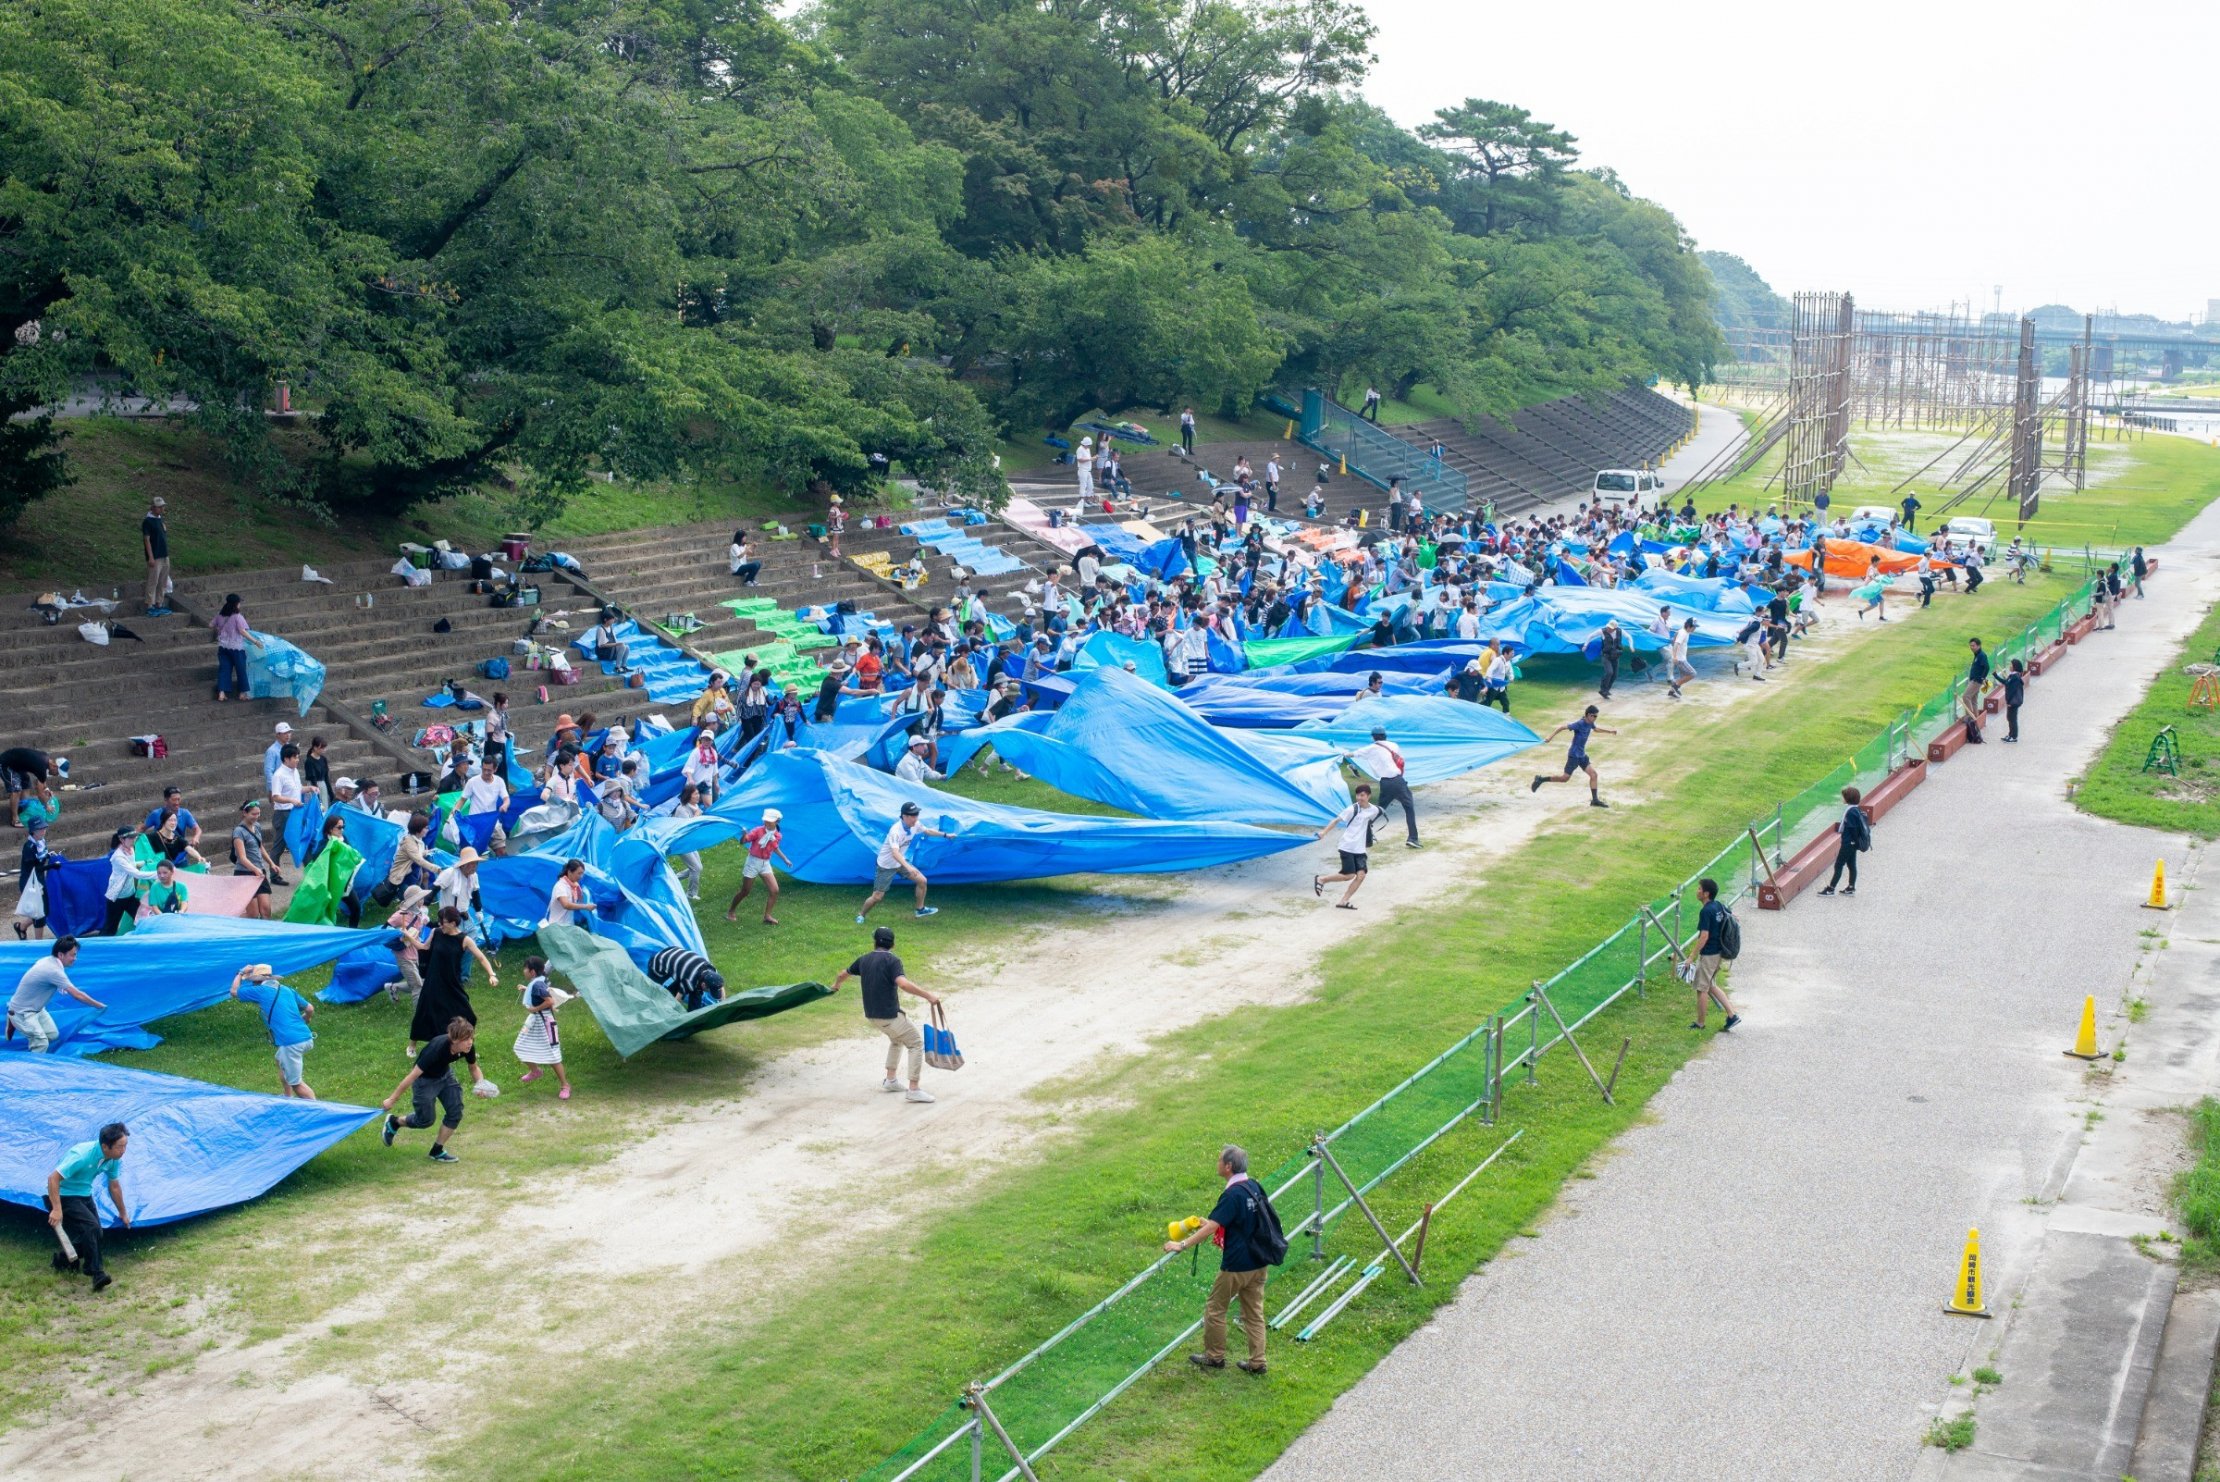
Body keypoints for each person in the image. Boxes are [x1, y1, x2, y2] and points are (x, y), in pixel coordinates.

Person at [1169, 1144, 1274, 1376]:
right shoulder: (1254, 1187)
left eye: (1219, 1160)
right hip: (1259, 1262)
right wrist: (1213, 1224)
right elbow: (1242, 1221)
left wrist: (1182, 1244)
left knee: (1215, 1309)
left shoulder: (1232, 1194)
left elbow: (1214, 1227)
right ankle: (1258, 1362)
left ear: (1228, 1166)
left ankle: (1214, 1356)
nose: (1217, 1163)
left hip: (1236, 1265)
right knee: (1254, 1314)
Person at [830, 925, 943, 1104]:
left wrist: (835, 986)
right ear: (893, 944)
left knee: (896, 1040)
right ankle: (913, 1089)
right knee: (915, 1044)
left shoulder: (864, 959)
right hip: (889, 1016)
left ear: (875, 942)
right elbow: (903, 984)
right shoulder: (893, 961)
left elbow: (843, 974)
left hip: (872, 1015)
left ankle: (891, 1080)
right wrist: (929, 996)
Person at [381, 1018, 488, 1162]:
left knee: (455, 1112)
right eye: (466, 1039)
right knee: (425, 1120)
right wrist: (392, 1099)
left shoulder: (467, 1047)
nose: (470, 1042)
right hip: (425, 1082)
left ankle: (436, 1151)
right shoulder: (436, 1049)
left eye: (471, 1038)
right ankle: (395, 1122)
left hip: (445, 1076)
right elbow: (412, 1076)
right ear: (455, 1040)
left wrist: (480, 1084)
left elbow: (473, 1068)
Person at [48, 1122, 129, 1291]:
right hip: (64, 1194)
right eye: (120, 1147)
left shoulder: (113, 1159)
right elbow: (53, 1179)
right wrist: (56, 1209)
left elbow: (114, 1186)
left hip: (84, 1194)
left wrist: (123, 1212)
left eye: (125, 1146)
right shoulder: (82, 1155)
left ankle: (64, 1260)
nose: (123, 1151)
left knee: (96, 1234)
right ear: (105, 1146)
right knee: (91, 1228)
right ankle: (96, 1273)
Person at [409, 907, 496, 1057]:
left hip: (452, 983)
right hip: (434, 980)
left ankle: (467, 1047)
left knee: (467, 1014)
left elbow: (481, 957)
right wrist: (409, 937)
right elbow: (424, 947)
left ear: (454, 923)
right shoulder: (436, 933)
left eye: (444, 923)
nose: (440, 925)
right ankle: (412, 1046)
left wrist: (491, 974)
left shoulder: (464, 940)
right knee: (424, 1011)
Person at [230, 963, 317, 1099]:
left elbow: (234, 992)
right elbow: (310, 1009)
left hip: (291, 1043)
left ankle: (317, 1112)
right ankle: (287, 1096)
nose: (252, 985)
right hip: (306, 1037)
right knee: (279, 1061)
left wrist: (240, 973)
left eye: (253, 982)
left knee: (297, 1084)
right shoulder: (287, 990)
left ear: (258, 981)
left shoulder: (260, 991)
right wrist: (306, 1019)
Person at [857, 801, 949, 923]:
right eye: (912, 815)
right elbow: (895, 853)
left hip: (900, 862)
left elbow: (927, 831)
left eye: (916, 814)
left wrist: (945, 835)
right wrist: (909, 867)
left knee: (922, 881)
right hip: (886, 865)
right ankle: (861, 915)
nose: (915, 818)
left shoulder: (915, 824)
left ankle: (920, 909)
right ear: (904, 816)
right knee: (877, 897)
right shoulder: (895, 831)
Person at [8, 936, 101, 1053]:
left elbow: (45, 980)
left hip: (37, 1009)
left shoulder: (48, 960)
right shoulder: (53, 971)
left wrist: (60, 986)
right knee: (41, 1042)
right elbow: (78, 995)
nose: (75, 958)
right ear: (61, 955)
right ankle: (34, 1067)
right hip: (22, 1012)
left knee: (52, 1034)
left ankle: (32, 1041)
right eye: (72, 955)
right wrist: (99, 1005)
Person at [1312, 782, 1386, 909]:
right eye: (1357, 795)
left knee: (1361, 875)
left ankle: (1344, 901)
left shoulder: (1374, 810)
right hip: (1347, 846)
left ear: (1368, 796)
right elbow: (1336, 820)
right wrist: (1323, 832)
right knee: (1349, 875)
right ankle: (1322, 879)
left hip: (1360, 848)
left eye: (1362, 795)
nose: (1359, 798)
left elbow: (1377, 815)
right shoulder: (1352, 809)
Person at [512, 955, 573, 1099]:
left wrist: (534, 1009)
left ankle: (565, 1085)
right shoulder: (537, 983)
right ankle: (535, 1071)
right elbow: (539, 992)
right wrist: (526, 989)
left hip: (544, 1023)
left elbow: (549, 1001)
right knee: (520, 1046)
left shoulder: (538, 984)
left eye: (526, 968)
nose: (524, 971)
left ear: (532, 972)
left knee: (552, 1055)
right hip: (535, 1023)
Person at [1686, 877, 1742, 1031]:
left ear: (1706, 893)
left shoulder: (1706, 911)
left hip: (1709, 954)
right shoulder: (1717, 905)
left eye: (1699, 889)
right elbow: (1732, 916)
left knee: (1701, 988)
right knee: (1711, 985)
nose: (1697, 891)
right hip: (1719, 952)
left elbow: (1704, 936)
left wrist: (1691, 956)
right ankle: (1732, 1015)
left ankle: (1700, 1023)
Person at [1531, 705, 1615, 808]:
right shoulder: (1580, 723)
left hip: (1582, 755)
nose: (1595, 718)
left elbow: (1596, 729)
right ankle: (1540, 779)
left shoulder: (1590, 723)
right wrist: (1550, 737)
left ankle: (1595, 800)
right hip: (1574, 755)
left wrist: (1609, 731)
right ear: (1588, 715)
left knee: (1594, 775)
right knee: (1564, 778)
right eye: (1594, 716)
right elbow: (1562, 727)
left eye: (1596, 716)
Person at [1349, 728, 1419, 850]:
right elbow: (1400, 761)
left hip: (1385, 782)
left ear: (1373, 737)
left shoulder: (1370, 748)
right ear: (1385, 735)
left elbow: (1352, 754)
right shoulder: (1393, 745)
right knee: (1409, 809)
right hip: (1398, 781)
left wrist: (1339, 752)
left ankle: (1360, 832)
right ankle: (1412, 838)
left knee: (1379, 809)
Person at [726, 808, 793, 925]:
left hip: (765, 863)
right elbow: (744, 841)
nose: (766, 823)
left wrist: (785, 859)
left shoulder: (777, 835)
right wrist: (743, 835)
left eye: (769, 821)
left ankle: (767, 916)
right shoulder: (758, 831)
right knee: (745, 891)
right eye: (765, 820)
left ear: (777, 821)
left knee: (774, 890)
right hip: (753, 862)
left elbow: (774, 846)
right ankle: (731, 911)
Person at [100, 826, 158, 935]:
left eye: (135, 837)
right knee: (110, 928)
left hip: (130, 896)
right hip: (117, 898)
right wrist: (157, 874)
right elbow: (135, 873)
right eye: (131, 838)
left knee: (143, 918)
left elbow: (132, 865)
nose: (134, 840)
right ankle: (98, 948)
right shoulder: (118, 857)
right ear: (122, 840)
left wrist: (144, 862)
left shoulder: (131, 849)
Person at [210, 593, 264, 701]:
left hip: (223, 647)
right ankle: (242, 693)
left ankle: (221, 693)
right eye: (239, 603)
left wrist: (220, 629)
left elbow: (210, 625)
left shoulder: (220, 615)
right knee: (241, 670)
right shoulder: (237, 617)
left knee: (224, 669)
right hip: (237, 648)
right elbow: (242, 631)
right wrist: (255, 641)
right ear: (236, 604)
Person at [1818, 786, 1870, 897]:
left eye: (1843, 797)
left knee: (1838, 865)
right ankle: (1851, 887)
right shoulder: (1855, 809)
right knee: (1851, 864)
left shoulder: (1851, 812)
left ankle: (1831, 889)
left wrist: (1853, 842)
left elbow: (1853, 829)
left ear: (1848, 798)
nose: (1842, 798)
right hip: (1852, 843)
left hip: (1848, 843)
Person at [385, 884, 433, 1005]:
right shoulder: (400, 915)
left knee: (419, 982)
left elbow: (425, 929)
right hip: (403, 956)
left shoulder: (420, 915)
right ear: (414, 901)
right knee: (418, 987)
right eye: (420, 899)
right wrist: (399, 933)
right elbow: (385, 929)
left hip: (415, 953)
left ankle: (393, 987)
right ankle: (420, 1018)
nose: (423, 901)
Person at [13, 815, 58, 940]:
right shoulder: (29, 847)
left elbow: (41, 859)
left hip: (39, 880)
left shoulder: (42, 842)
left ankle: (21, 926)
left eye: (44, 828)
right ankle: (39, 942)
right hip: (30, 883)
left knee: (45, 910)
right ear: (33, 831)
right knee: (39, 914)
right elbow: (35, 868)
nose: (43, 831)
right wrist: (52, 866)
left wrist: (49, 856)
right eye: (40, 829)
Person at [649, 944, 726, 1011]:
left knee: (696, 992)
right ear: (703, 985)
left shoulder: (713, 971)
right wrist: (670, 1011)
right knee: (652, 989)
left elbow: (720, 986)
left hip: (683, 964)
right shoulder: (689, 981)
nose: (710, 992)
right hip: (661, 961)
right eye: (709, 990)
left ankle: (694, 1016)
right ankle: (653, 1005)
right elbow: (677, 999)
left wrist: (724, 1004)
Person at [232, 800, 274, 919]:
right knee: (253, 914)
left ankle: (267, 934)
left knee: (266, 910)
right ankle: (233, 921)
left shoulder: (257, 826)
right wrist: (255, 869)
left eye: (258, 813)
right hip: (244, 874)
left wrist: (271, 863)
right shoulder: (238, 832)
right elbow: (242, 857)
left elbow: (260, 847)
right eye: (253, 814)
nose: (256, 817)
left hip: (259, 872)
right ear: (245, 813)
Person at [1, 745, 57, 829]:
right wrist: (46, 806)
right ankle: (15, 819)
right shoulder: (41, 766)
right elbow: (40, 793)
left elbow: (43, 783)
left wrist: (47, 789)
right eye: (58, 772)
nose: (57, 775)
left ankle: (23, 809)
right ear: (54, 766)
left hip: (17, 766)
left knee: (26, 783)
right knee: (16, 790)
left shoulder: (45, 758)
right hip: (5, 764)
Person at [269, 743, 303, 872]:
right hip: (283, 814)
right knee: (279, 845)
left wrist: (310, 788)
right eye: (295, 757)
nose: (297, 760)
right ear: (286, 759)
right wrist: (291, 800)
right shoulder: (279, 775)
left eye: (298, 757)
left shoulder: (295, 772)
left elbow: (298, 789)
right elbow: (276, 796)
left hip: (295, 812)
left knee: (300, 840)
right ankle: (274, 874)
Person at [544, 857, 595, 930]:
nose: (581, 877)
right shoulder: (561, 886)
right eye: (579, 873)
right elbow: (566, 905)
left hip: (568, 926)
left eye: (582, 874)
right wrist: (586, 907)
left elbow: (579, 900)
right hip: (558, 927)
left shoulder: (573, 886)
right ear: (569, 872)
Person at [142, 496, 171, 615]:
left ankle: (159, 602)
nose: (162, 509)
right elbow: (147, 540)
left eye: (163, 506)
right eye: (160, 507)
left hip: (164, 555)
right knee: (153, 581)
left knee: (163, 581)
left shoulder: (160, 519)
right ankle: (150, 604)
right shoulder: (147, 521)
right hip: (155, 556)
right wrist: (151, 557)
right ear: (153, 508)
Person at [1961, 637, 1991, 744]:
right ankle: (1976, 719)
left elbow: (1987, 667)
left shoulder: (1982, 655)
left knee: (1966, 696)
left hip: (1976, 681)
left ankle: (1970, 717)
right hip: (1975, 680)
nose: (1971, 647)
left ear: (1978, 645)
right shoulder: (1977, 655)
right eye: (1970, 645)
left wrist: (1982, 678)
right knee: (1973, 700)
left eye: (1973, 645)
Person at [1667, 618, 1696, 700]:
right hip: (1680, 659)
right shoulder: (1683, 633)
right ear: (1689, 626)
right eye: (1694, 627)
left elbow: (1674, 640)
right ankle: (1675, 686)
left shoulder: (1684, 632)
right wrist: (1675, 656)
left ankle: (1672, 691)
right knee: (1692, 673)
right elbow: (1676, 644)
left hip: (1682, 658)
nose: (1695, 629)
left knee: (1684, 676)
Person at [2001, 657, 2027, 743]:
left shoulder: (2015, 677)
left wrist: (2009, 701)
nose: (2009, 666)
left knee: (2012, 719)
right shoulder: (2012, 676)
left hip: (2013, 702)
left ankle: (2014, 736)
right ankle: (2010, 734)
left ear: (2014, 666)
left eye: (2011, 665)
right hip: (2011, 701)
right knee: (2009, 718)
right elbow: (2006, 683)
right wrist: (1996, 676)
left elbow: (2012, 690)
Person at [1596, 620, 1622, 699]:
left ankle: (1606, 690)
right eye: (1608, 627)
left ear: (1615, 628)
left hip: (1615, 656)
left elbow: (1628, 636)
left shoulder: (1619, 631)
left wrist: (1631, 645)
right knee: (1609, 672)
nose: (1609, 629)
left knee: (1615, 675)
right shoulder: (1602, 631)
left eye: (1611, 628)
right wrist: (1585, 645)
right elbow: (1591, 636)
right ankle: (1603, 689)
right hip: (1606, 656)